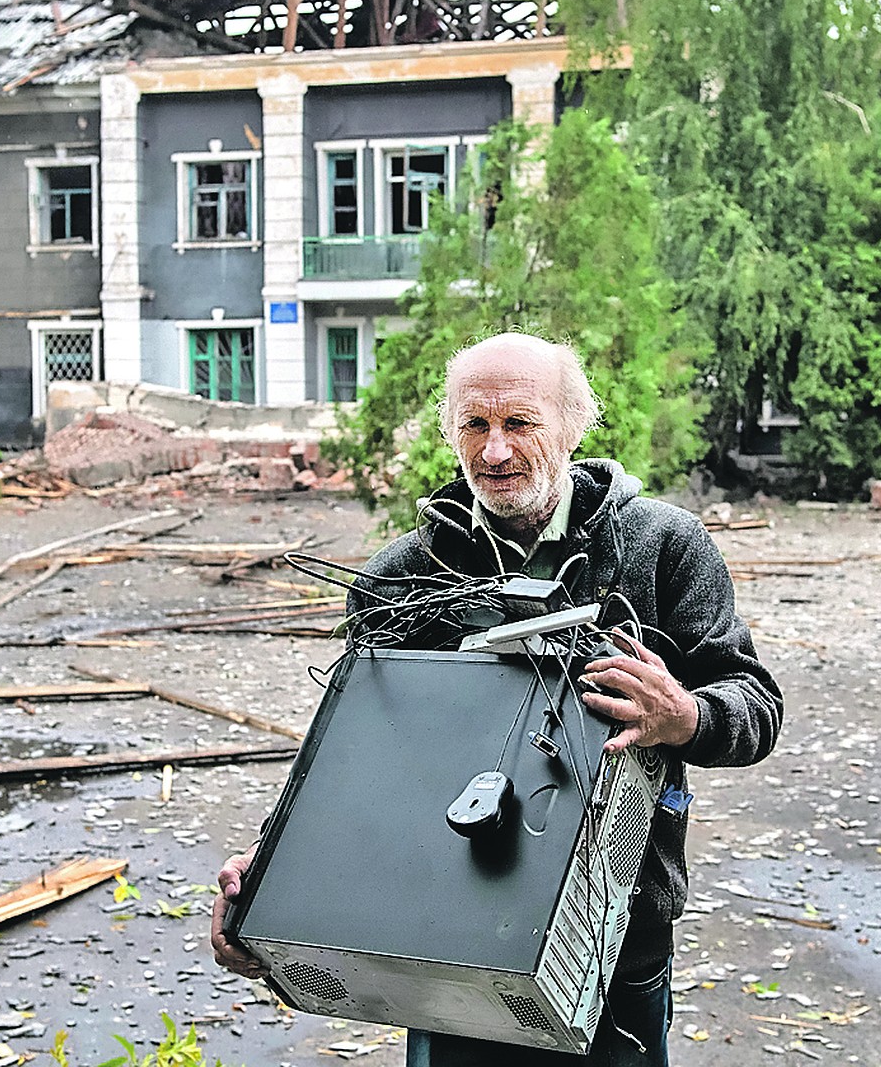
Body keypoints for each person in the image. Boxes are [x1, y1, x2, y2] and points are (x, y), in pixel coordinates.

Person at [212, 331, 783, 1066]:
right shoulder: (404, 574)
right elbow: (349, 751)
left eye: (520, 423)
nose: (495, 452)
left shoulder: (662, 546)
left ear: (574, 426)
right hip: (443, 919)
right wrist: (268, 862)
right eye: (474, 426)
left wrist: (685, 717)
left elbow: (756, 705)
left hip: (619, 925)